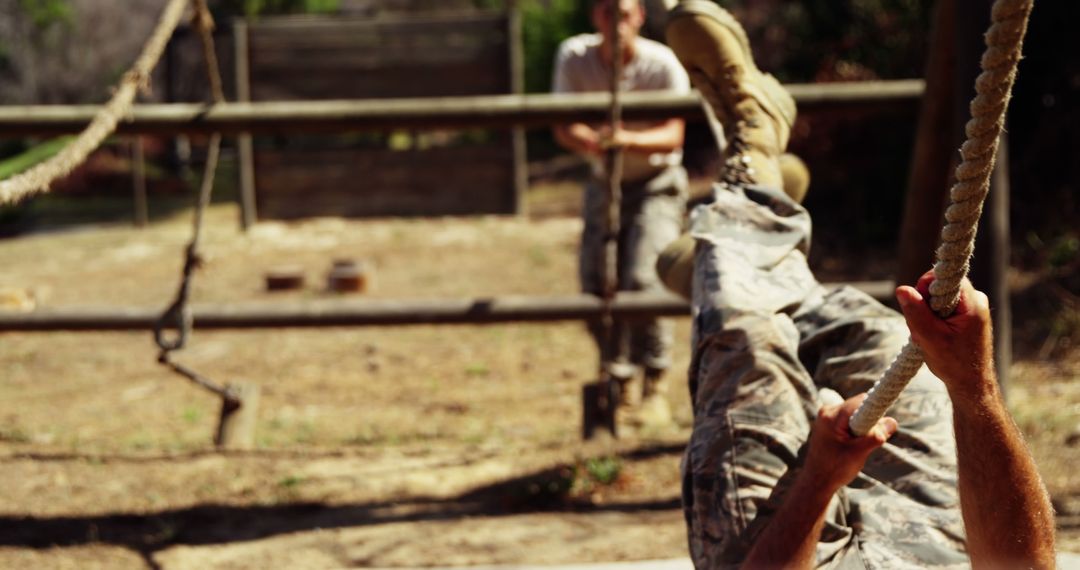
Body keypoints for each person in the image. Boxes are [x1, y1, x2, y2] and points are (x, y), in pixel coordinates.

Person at [657, 1, 1057, 567]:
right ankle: (727, 259)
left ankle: (754, 149)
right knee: (862, 328)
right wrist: (975, 388)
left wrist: (819, 481)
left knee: (745, 336)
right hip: (935, 547)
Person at [552, 0, 692, 428]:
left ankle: (655, 380)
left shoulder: (662, 63)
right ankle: (619, 377)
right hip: (603, 184)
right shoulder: (574, 57)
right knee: (596, 282)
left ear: (640, 17)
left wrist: (626, 140)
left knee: (642, 278)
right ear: (597, 17)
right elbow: (563, 123)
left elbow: (674, 133)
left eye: (626, 13)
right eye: (608, 13)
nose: (618, 22)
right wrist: (597, 143)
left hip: (656, 186)